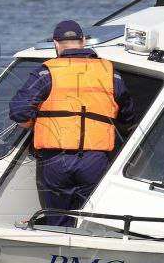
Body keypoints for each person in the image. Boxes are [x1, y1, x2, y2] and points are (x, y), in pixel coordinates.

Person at [9, 20, 133, 224]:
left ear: (56, 44)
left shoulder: (46, 72)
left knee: (56, 221)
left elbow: (19, 111)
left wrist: (34, 123)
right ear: (83, 41)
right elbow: (127, 116)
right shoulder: (110, 73)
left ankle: (57, 249)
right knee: (90, 221)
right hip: (95, 159)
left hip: (55, 160)